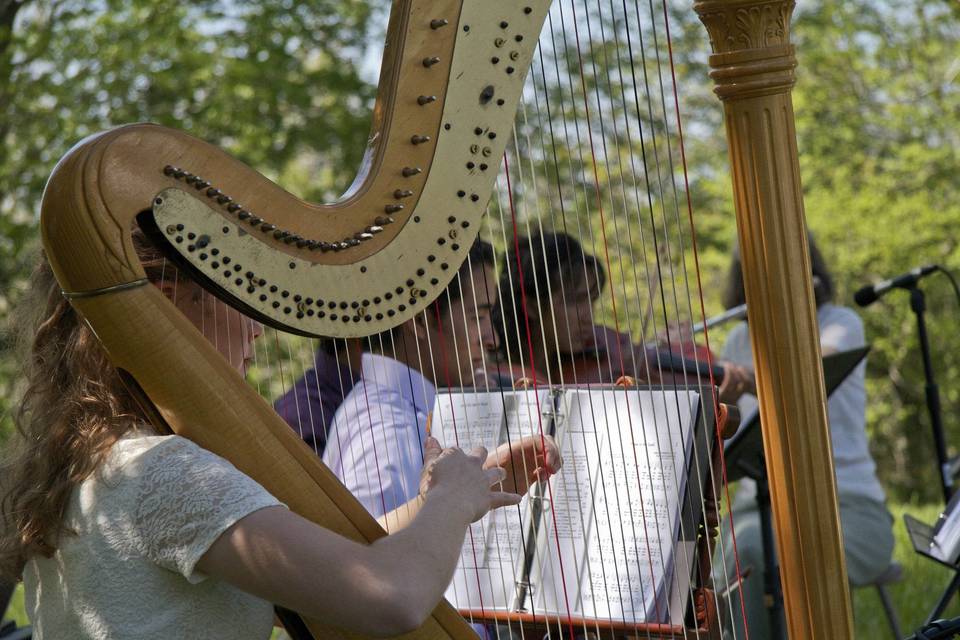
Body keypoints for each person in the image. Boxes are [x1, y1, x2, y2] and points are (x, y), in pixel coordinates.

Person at [0, 231, 534, 639]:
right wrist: (450, 503)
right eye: (244, 299)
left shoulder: (103, 460)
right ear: (171, 306)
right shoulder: (168, 473)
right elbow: (391, 595)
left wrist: (434, 501)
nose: (259, 325)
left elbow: (325, 559)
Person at [715, 234, 894, 637]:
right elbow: (735, 440)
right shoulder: (738, 339)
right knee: (725, 560)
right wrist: (683, 368)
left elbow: (804, 379)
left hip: (847, 506)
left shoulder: (840, 323)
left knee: (762, 556)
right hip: (755, 510)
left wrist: (737, 377)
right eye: (757, 274)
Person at [323, 239, 561, 526]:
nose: (492, 338)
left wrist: (479, 481)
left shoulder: (397, 410)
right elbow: (372, 557)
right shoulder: (387, 431)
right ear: (420, 321)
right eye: (478, 317)